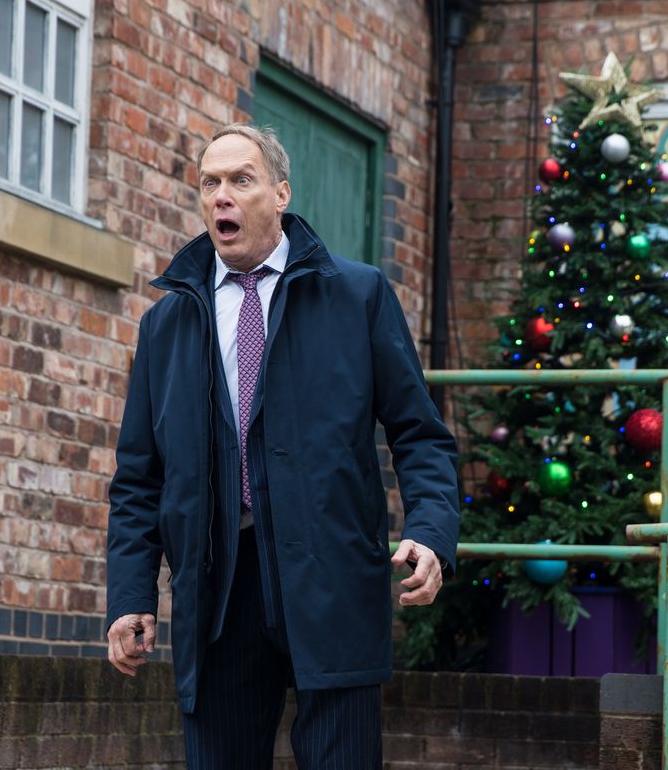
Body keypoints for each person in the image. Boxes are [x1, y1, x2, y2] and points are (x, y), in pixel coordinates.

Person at [105, 123, 458, 769]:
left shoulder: (357, 295)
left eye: (241, 179)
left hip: (332, 576)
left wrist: (431, 532)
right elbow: (138, 480)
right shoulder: (167, 323)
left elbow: (419, 433)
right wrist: (131, 596)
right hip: (217, 590)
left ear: (281, 193)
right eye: (209, 182)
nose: (222, 197)